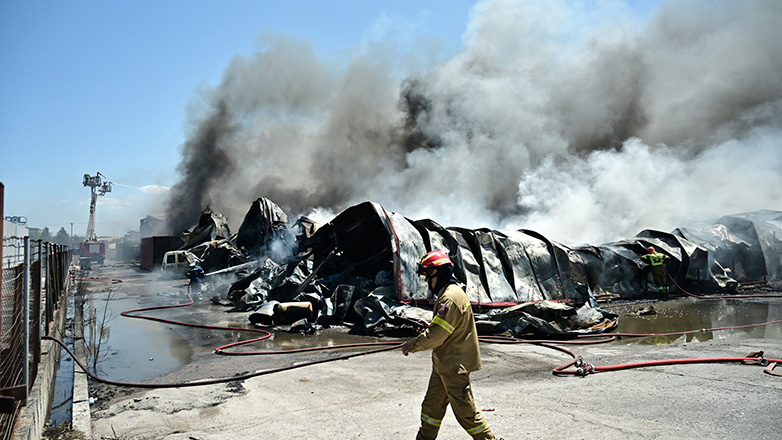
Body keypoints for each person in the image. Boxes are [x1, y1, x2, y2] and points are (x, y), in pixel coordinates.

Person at [402, 250, 498, 440]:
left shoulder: (449, 298)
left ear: (439, 272)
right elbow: (444, 329)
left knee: (467, 414)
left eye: (428, 274)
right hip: (444, 365)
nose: (426, 280)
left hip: (454, 366)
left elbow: (436, 336)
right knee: (431, 408)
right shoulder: (451, 294)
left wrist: (411, 345)